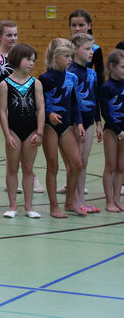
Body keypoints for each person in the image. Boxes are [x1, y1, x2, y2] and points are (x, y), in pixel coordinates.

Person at [39, 38, 86, 218]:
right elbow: (39, 104)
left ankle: (69, 202)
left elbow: (74, 102)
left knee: (77, 164)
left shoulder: (72, 77)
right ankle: (53, 206)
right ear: (56, 57)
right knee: (53, 165)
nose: (70, 60)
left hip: (66, 125)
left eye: (71, 56)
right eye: (66, 56)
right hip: (50, 125)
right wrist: (49, 114)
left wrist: (79, 122)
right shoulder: (45, 78)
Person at [0, 43, 45, 219]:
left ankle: (29, 206)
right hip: (13, 130)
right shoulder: (5, 84)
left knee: (28, 168)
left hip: (31, 130)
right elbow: (3, 111)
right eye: (28, 59)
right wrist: (7, 134)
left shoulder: (36, 83)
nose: (32, 63)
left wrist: (39, 132)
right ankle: (12, 206)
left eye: (33, 60)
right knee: (12, 168)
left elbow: (41, 108)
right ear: (17, 59)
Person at [66, 32, 102, 213]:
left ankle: (81, 198)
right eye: (87, 49)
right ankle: (73, 199)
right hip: (75, 122)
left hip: (88, 121)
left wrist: (98, 122)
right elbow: (70, 101)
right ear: (75, 50)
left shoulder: (91, 73)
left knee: (84, 161)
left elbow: (95, 98)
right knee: (76, 163)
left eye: (92, 49)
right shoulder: (70, 73)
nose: (91, 52)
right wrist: (75, 122)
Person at [98, 49, 124, 212]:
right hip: (112, 131)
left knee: (121, 167)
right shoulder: (106, 87)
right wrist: (118, 131)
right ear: (112, 66)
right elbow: (106, 112)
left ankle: (117, 199)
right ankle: (109, 201)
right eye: (123, 67)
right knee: (111, 166)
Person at [69, 9, 104, 84]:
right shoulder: (64, 47)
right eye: (74, 25)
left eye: (81, 25)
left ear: (89, 26)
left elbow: (100, 76)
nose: (77, 29)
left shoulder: (95, 49)